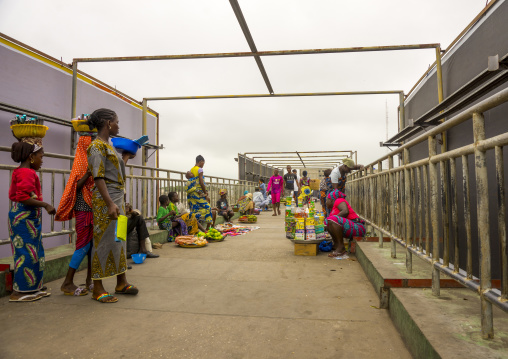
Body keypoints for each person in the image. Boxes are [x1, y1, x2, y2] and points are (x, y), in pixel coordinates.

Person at [87, 108, 138, 303]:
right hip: (105, 200)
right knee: (103, 241)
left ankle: (121, 282)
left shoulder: (109, 146)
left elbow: (116, 171)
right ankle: (97, 288)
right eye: (117, 122)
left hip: (117, 197)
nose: (118, 125)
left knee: (119, 239)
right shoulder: (96, 147)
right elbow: (98, 176)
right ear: (108, 123)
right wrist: (109, 203)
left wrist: (125, 157)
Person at [8, 137, 56, 302]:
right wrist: (45, 205)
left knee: (34, 253)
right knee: (27, 254)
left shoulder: (24, 171)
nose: (42, 160)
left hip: (26, 217)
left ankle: (32, 287)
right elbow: (23, 197)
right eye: (41, 156)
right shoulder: (26, 172)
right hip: (23, 217)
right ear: (31, 157)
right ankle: (20, 291)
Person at [55, 131, 95, 296]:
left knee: (92, 247)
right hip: (83, 209)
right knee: (83, 245)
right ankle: (67, 282)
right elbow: (76, 186)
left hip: (92, 208)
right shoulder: (81, 162)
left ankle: (90, 280)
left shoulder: (90, 160)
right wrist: (89, 172)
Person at [325, 190, 366, 258]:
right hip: (351, 228)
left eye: (327, 200)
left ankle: (341, 248)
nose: (326, 202)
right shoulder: (334, 209)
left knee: (332, 219)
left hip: (358, 228)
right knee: (328, 222)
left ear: (331, 200)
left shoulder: (338, 200)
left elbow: (345, 211)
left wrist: (334, 219)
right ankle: (336, 245)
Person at [186, 155, 213, 230]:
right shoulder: (200, 170)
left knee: (195, 209)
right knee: (208, 207)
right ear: (201, 161)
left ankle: (194, 227)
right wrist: (205, 193)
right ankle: (207, 228)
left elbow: (192, 181)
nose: (203, 165)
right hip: (198, 193)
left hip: (192, 193)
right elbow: (201, 182)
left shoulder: (191, 169)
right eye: (203, 163)